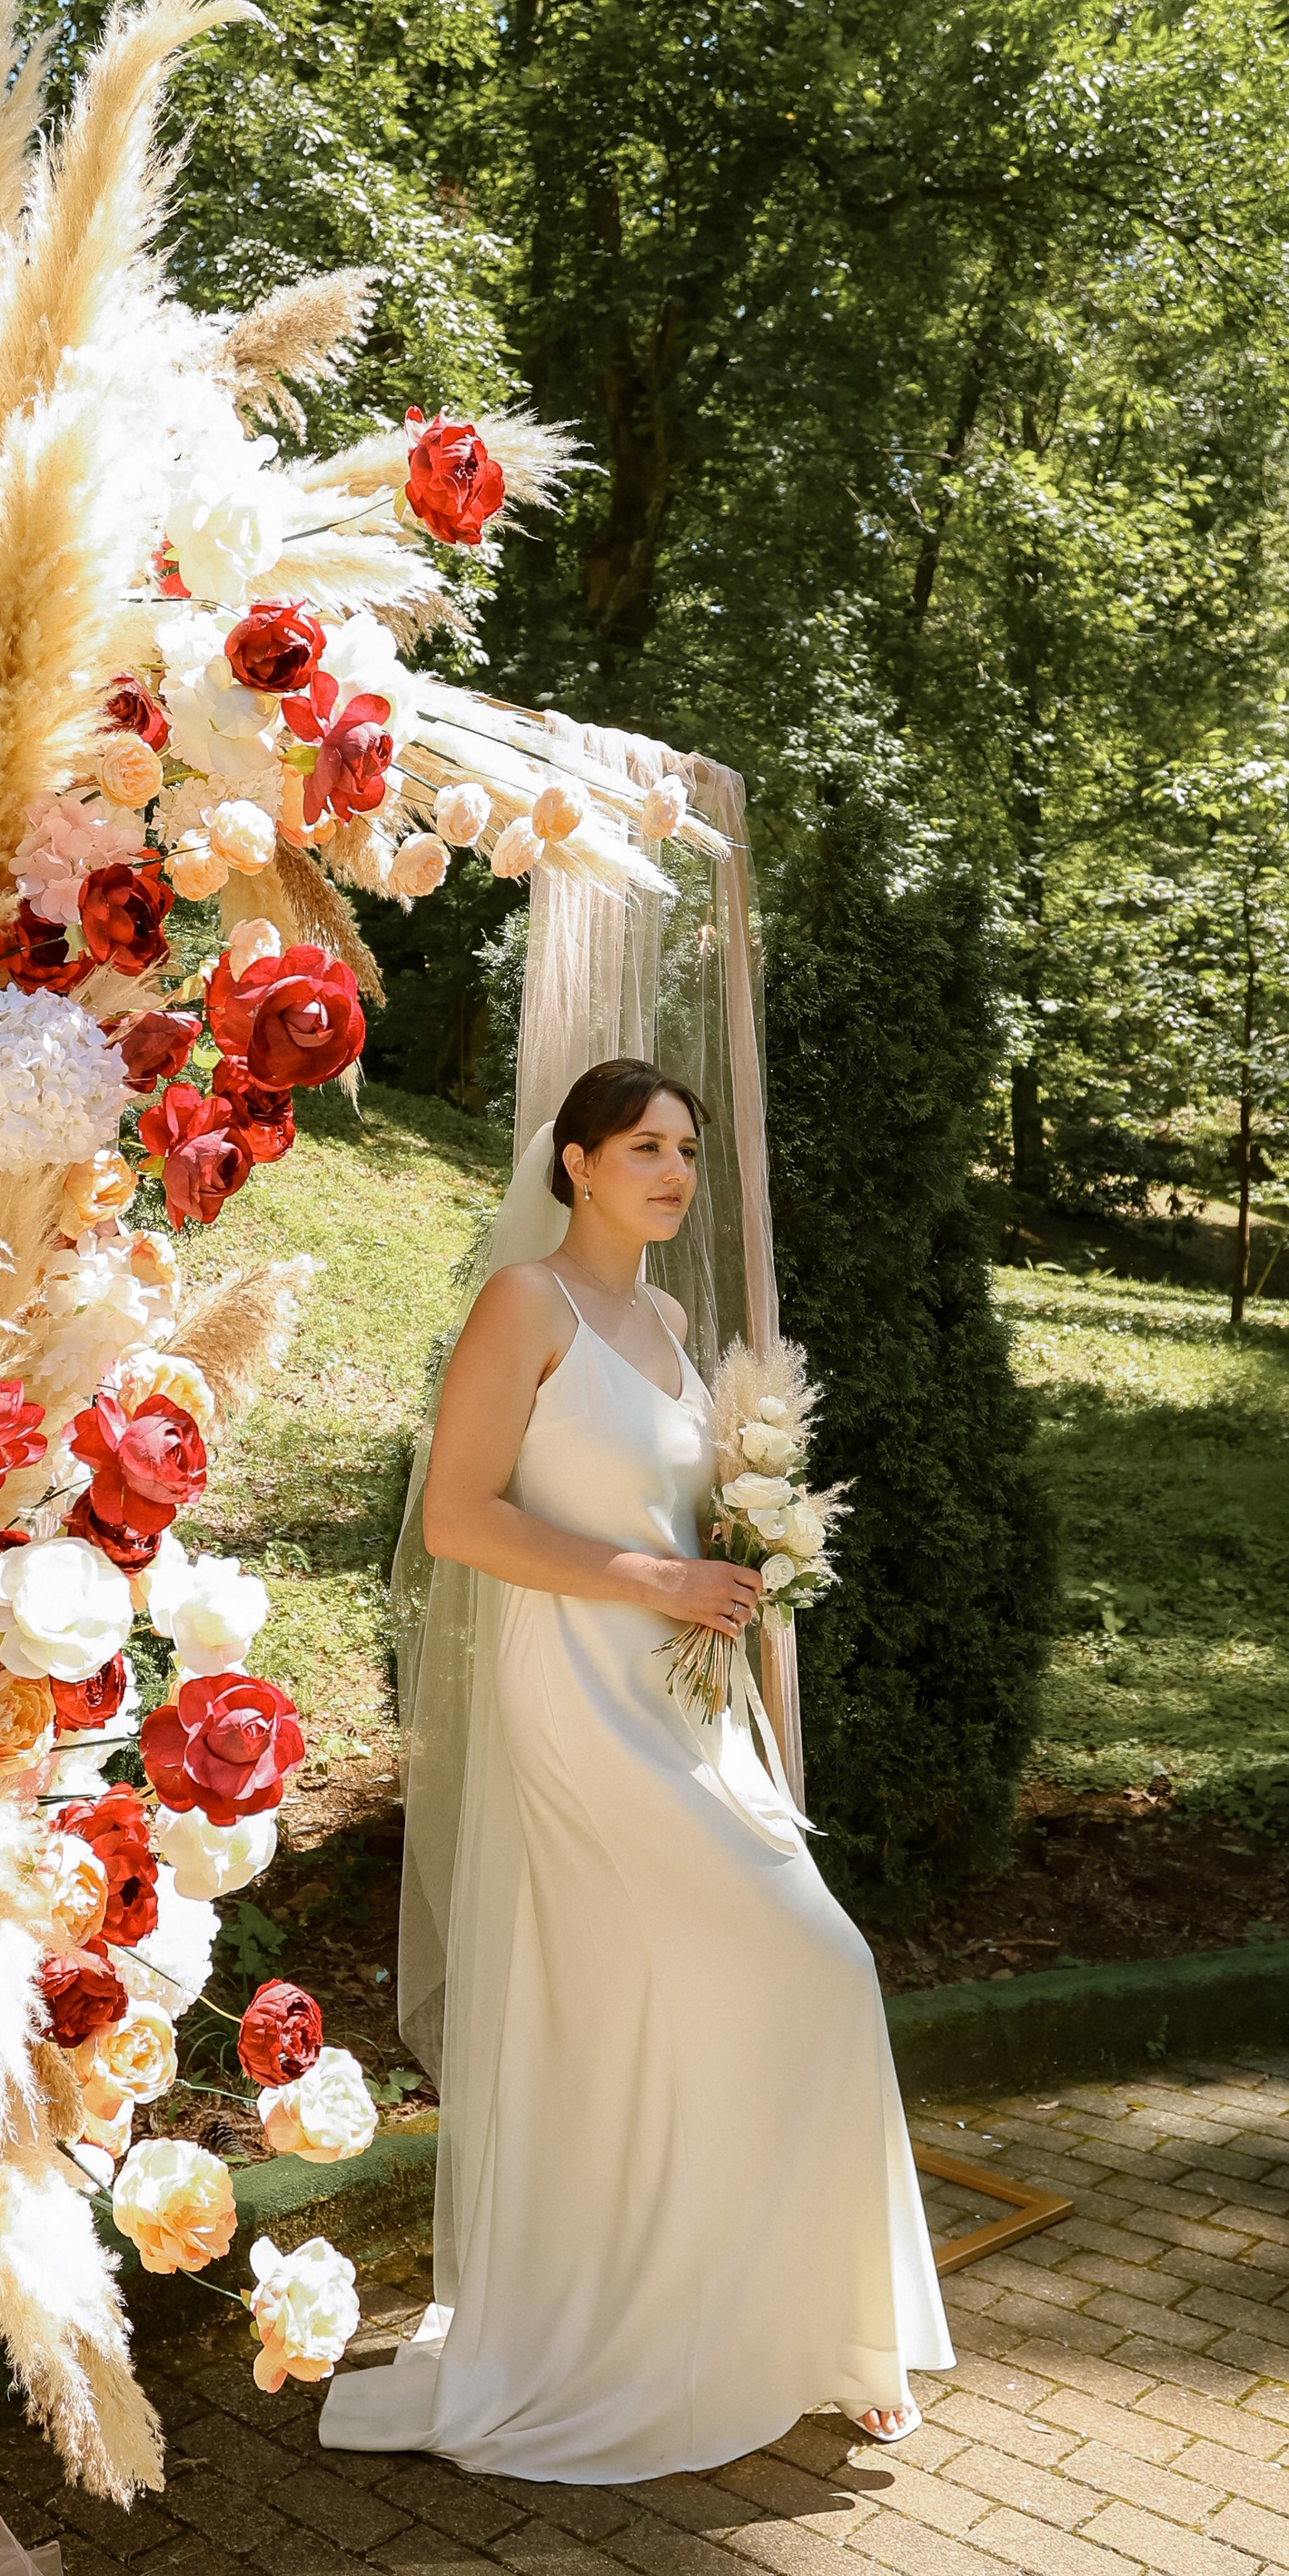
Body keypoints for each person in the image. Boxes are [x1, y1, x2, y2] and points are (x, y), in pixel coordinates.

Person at [319, 1057, 952, 2478]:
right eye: (644, 1147)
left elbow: (688, 1523)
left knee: (716, 1999)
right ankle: (657, 2330)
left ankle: (803, 2333)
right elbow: (461, 1521)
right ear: (577, 1165)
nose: (673, 1171)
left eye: (685, 1148)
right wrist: (655, 1579)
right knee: (814, 1966)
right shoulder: (524, 1306)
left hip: (687, 1701)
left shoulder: (664, 1318)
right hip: (580, 1705)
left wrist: (738, 1570)